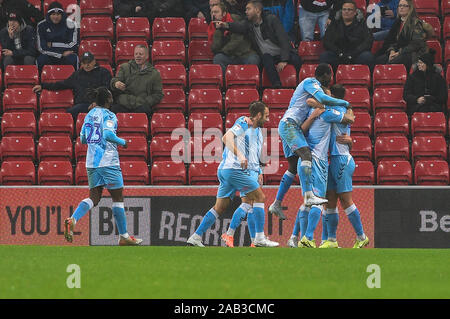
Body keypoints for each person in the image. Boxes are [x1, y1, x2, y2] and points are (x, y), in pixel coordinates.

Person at [187, 101, 279, 248]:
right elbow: (226, 138)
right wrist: (241, 156)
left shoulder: (258, 132)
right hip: (235, 169)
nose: (267, 120)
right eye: (266, 116)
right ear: (259, 115)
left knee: (220, 207)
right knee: (259, 197)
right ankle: (259, 239)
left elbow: (254, 155)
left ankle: (195, 237)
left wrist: (260, 171)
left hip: (227, 171)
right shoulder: (243, 122)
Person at [268, 63, 350, 220]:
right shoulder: (310, 82)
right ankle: (308, 195)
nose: (330, 79)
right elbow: (320, 98)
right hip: (290, 124)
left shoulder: (313, 88)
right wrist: (344, 103)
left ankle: (277, 203)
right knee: (306, 155)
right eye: (330, 76)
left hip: (291, 125)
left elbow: (314, 101)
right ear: (326, 74)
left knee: (293, 166)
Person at [64, 87, 143, 246]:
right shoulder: (109, 115)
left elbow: (83, 139)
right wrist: (123, 142)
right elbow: (107, 134)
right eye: (110, 96)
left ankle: (73, 219)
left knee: (94, 197)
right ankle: (124, 236)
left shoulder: (89, 114)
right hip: (108, 161)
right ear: (108, 99)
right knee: (117, 197)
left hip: (92, 162)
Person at [315, 84, 369, 249]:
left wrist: (348, 108)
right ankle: (331, 240)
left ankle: (361, 237)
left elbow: (349, 119)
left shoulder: (335, 110)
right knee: (329, 199)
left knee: (345, 200)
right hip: (333, 160)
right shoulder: (339, 109)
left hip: (341, 160)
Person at [215, 0, 302, 88]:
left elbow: (283, 39)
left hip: (282, 53)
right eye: (246, 10)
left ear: (257, 10)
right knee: (266, 58)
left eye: (248, 9)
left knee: (297, 60)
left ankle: (300, 85)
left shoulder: (271, 19)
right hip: (269, 56)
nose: (246, 12)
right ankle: (277, 86)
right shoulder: (249, 23)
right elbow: (239, 26)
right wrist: (225, 25)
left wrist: (284, 59)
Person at [32, 52, 112, 120]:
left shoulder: (103, 72)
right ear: (81, 64)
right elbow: (62, 84)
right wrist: (43, 86)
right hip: (82, 105)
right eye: (84, 63)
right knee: (67, 116)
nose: (87, 65)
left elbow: (106, 88)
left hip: (100, 105)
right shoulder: (77, 75)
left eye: (89, 62)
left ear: (94, 61)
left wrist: (98, 102)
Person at [320, 0, 375, 71]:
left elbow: (368, 41)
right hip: (338, 54)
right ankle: (329, 79)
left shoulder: (363, 24)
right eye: (344, 9)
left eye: (349, 9)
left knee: (368, 57)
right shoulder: (334, 23)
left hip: (356, 54)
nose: (346, 11)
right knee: (325, 56)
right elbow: (326, 41)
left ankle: (367, 79)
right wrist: (339, 52)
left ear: (355, 12)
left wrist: (353, 53)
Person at [110, 44, 164, 116]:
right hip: (124, 104)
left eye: (140, 54)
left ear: (147, 56)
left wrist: (146, 101)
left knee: (145, 110)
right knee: (113, 110)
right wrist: (115, 83)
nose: (138, 56)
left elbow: (158, 94)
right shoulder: (125, 67)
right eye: (136, 54)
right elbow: (115, 81)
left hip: (141, 106)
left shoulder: (154, 73)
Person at [375, 0, 427, 72]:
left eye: (404, 6)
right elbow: (393, 41)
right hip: (399, 51)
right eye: (400, 6)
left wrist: (399, 53)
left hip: (414, 54)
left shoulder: (415, 23)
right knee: (378, 60)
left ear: (410, 8)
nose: (401, 8)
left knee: (392, 62)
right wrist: (392, 51)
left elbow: (416, 44)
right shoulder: (398, 22)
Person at [209, 2, 260, 73]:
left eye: (216, 12)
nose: (213, 14)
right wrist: (218, 31)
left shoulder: (235, 19)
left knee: (253, 60)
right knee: (218, 59)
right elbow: (214, 48)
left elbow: (237, 40)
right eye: (212, 13)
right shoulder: (213, 27)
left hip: (245, 53)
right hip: (230, 56)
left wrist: (223, 51)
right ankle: (226, 82)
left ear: (224, 13)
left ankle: (248, 83)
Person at [36, 1, 79, 71]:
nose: (56, 17)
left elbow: (73, 44)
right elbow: (41, 48)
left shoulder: (71, 24)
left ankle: (74, 80)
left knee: (73, 58)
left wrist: (53, 44)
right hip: (50, 54)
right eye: (53, 14)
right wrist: (60, 54)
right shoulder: (41, 25)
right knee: (41, 60)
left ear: (62, 14)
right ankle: (41, 81)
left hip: (66, 54)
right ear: (49, 15)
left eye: (58, 14)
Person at [403, 49, 448, 116]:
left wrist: (432, 99)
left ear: (428, 64)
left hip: (434, 107)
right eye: (418, 62)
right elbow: (406, 95)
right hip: (417, 107)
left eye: (421, 63)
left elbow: (443, 96)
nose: (418, 65)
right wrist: (417, 99)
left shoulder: (438, 78)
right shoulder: (412, 77)